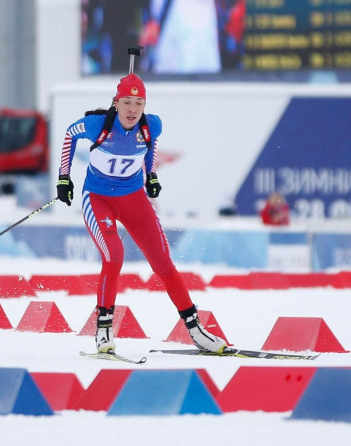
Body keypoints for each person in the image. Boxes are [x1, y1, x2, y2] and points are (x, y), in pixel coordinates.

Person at [56, 73, 227, 355]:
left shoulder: (151, 125)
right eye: (127, 102)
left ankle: (196, 330)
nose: (133, 109)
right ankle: (103, 330)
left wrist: (151, 175)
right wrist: (64, 178)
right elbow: (69, 135)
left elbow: (151, 145)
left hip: (133, 198)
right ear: (116, 103)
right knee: (114, 256)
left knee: (163, 263)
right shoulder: (97, 124)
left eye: (139, 103)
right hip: (98, 199)